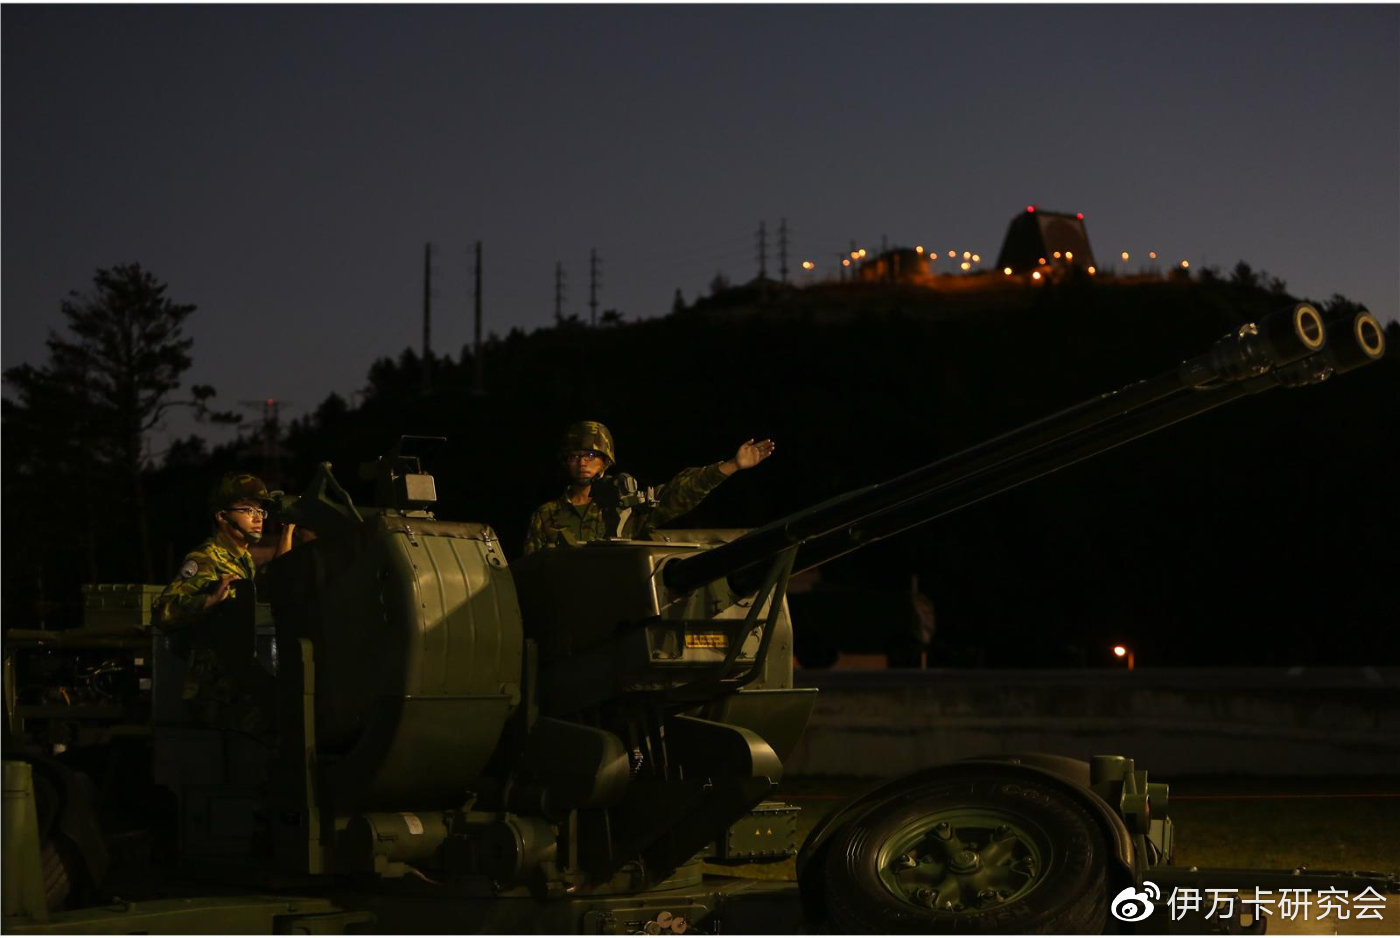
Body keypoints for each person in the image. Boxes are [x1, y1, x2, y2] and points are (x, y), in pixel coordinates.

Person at [523, 420, 775, 555]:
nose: (582, 462)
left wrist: (732, 465)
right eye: (575, 456)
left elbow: (678, 493)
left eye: (590, 455)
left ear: (605, 461)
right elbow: (531, 572)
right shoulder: (547, 515)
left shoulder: (627, 505)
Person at [153, 472, 291, 628]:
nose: (258, 518)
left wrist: (288, 530)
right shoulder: (207, 558)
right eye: (248, 510)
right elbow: (162, 610)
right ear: (222, 516)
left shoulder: (243, 559)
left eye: (259, 511)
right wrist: (210, 600)